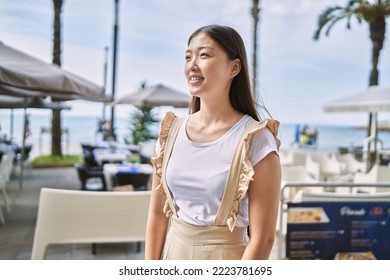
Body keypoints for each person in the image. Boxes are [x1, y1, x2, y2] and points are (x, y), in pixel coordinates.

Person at [145, 24, 281, 260]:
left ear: (234, 67)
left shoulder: (256, 140)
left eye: (204, 55)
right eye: (188, 57)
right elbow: (157, 214)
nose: (192, 65)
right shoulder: (170, 133)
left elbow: (263, 239)